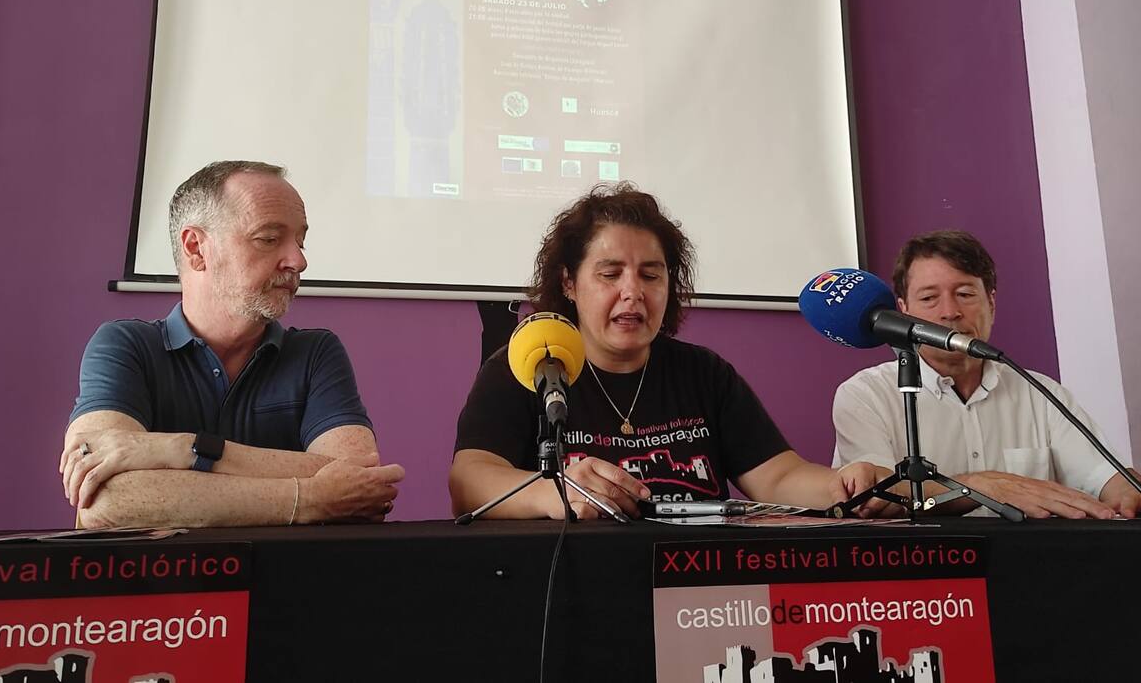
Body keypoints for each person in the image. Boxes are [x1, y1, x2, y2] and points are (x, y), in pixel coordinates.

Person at [449, 183, 883, 520]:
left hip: (697, 597)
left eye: (651, 275)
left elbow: (778, 476)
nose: (632, 292)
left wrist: (842, 485)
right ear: (568, 283)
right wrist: (552, 491)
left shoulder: (704, 373)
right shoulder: (527, 366)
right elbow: (469, 480)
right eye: (610, 274)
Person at [62, 161, 404, 528]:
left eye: (300, 241)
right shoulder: (125, 346)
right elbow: (108, 503)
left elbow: (362, 484)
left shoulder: (316, 353)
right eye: (269, 239)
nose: (298, 260)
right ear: (196, 248)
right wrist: (312, 499)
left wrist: (179, 450)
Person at [832, 229, 1140, 519]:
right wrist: (983, 486)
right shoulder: (866, 395)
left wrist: (1127, 493)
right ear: (903, 310)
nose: (949, 311)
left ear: (991, 302)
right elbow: (877, 500)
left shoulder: (1041, 392)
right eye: (928, 298)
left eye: (965, 294)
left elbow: (1107, 479)